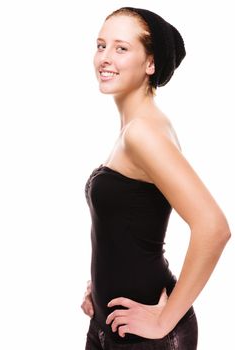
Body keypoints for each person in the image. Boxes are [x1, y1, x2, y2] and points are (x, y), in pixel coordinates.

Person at [81, 7, 231, 349]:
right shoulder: (135, 128)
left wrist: (164, 319)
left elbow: (214, 227)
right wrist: (100, 285)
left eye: (121, 48)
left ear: (151, 63)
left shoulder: (143, 134)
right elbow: (128, 227)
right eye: (101, 45)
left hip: (148, 335)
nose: (105, 57)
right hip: (113, 324)